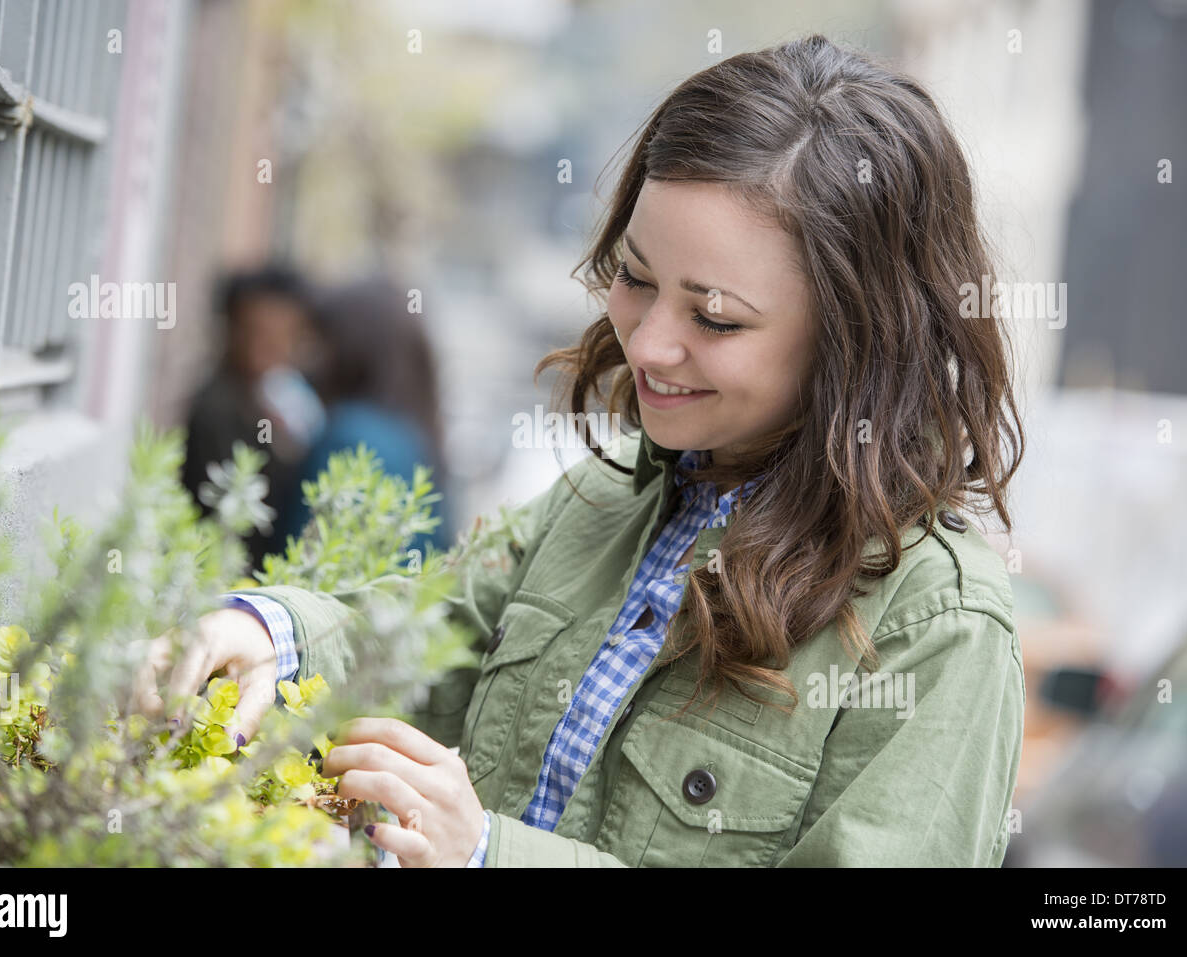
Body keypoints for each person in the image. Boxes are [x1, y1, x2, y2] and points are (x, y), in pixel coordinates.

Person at [136, 35, 1027, 867]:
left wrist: (490, 852)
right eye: (635, 278)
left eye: (715, 317)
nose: (646, 345)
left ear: (856, 339)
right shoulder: (601, 502)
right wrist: (269, 635)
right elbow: (424, 632)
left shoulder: (938, 631)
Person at [271, 279, 454, 555]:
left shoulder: (349, 434)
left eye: (318, 342)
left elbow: (307, 560)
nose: (307, 358)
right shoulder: (412, 434)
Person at [180, 264, 325, 573]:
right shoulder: (217, 410)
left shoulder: (280, 396)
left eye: (283, 334)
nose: (269, 346)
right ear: (232, 329)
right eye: (256, 332)